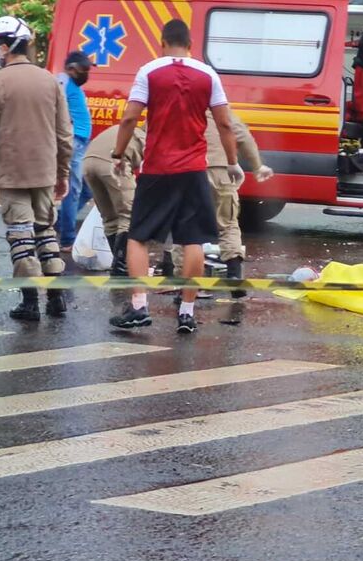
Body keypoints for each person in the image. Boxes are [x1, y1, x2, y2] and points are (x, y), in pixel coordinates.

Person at [109, 19, 241, 334]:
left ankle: (139, 306)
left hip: (157, 168)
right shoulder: (208, 74)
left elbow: (130, 117)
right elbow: (224, 123)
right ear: (191, 44)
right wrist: (233, 161)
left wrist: (119, 154)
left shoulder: (149, 71)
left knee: (138, 236)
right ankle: (186, 311)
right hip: (194, 168)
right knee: (192, 238)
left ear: (162, 41)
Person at [0, 16, 72, 321]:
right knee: (45, 230)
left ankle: (30, 302)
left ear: (4, 46)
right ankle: (56, 298)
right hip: (44, 170)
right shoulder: (50, 80)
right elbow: (64, 133)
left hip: (12, 173)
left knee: (21, 235)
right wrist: (63, 172)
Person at [171, 109, 273, 298]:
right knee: (228, 224)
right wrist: (257, 166)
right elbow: (243, 136)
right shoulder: (222, 112)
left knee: (184, 228)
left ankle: (183, 284)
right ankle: (234, 276)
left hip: (188, 172)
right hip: (221, 172)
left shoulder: (182, 111)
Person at [81, 122, 145, 276]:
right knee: (129, 214)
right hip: (112, 164)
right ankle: (122, 266)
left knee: (109, 217)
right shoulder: (146, 138)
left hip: (88, 164)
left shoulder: (120, 130)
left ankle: (117, 264)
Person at [55, 51, 94, 253]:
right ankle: (67, 239)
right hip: (73, 142)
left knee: (88, 188)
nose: (86, 73)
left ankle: (59, 224)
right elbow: (55, 108)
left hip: (80, 142)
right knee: (73, 190)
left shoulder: (73, 85)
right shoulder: (62, 82)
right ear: (71, 68)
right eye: (83, 69)